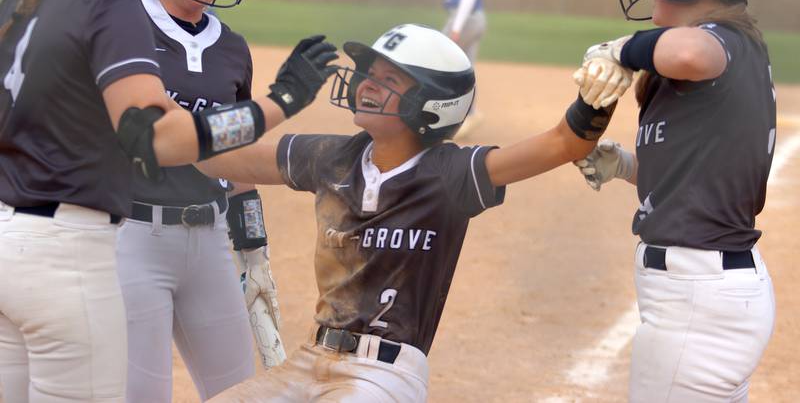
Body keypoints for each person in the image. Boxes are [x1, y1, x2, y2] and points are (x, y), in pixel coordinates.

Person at [0, 0, 336, 401]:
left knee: (238, 388)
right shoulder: (118, 9)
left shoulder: (29, 2)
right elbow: (163, 139)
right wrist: (278, 105)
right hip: (103, 243)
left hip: (38, 240)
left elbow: (224, 159)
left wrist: (252, 243)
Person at [187, 23, 617, 402]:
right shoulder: (332, 157)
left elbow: (564, 143)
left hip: (383, 374)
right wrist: (155, 127)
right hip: (311, 357)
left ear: (433, 104)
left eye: (389, 80)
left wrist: (599, 96)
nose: (366, 86)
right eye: (369, 76)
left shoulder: (451, 174)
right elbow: (220, 156)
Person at [572, 0, 776, 403]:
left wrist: (621, 48)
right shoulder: (735, 51)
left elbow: (687, 52)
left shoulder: (721, 40)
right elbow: (697, 174)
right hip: (704, 293)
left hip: (696, 298)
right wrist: (625, 166)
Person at [115, 0, 284, 403]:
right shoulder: (122, 22)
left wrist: (253, 247)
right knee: (142, 396)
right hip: (131, 236)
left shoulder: (232, 46)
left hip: (208, 236)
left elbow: (240, 151)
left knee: (238, 391)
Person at [442, 0, 486, 137]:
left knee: (441, 62)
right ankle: (468, 114)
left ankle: (454, 115)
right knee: (464, 67)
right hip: (469, 18)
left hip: (465, 18)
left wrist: (457, 27)